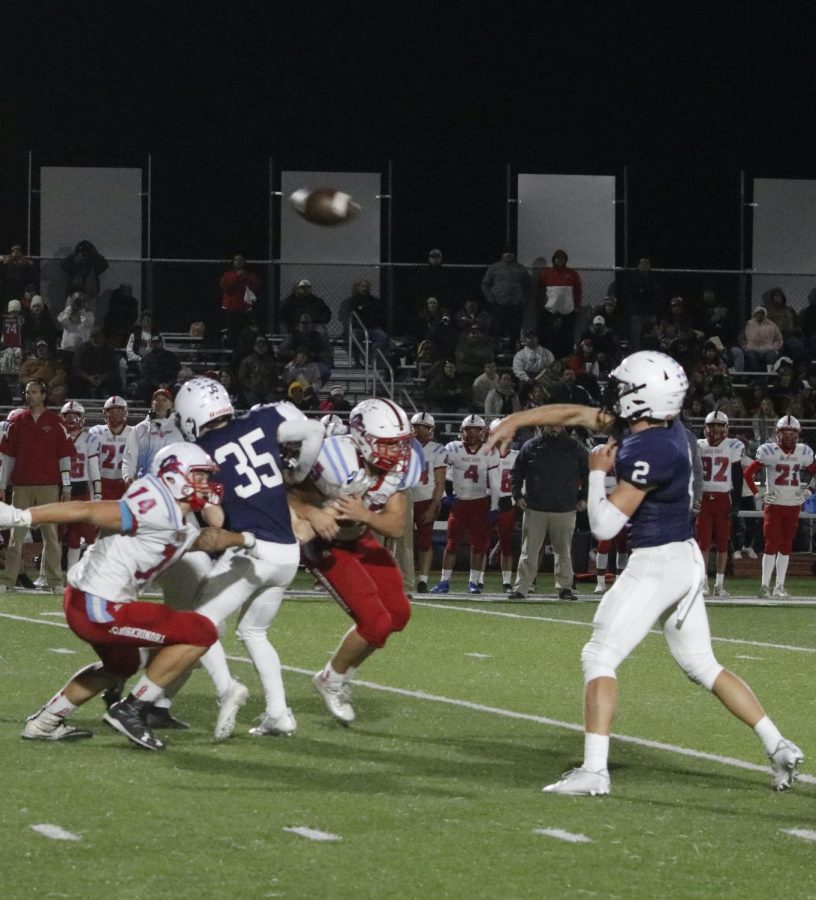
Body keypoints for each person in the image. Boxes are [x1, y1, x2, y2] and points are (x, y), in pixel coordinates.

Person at [487, 349, 803, 796]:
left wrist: (597, 474)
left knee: (599, 655)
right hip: (683, 557)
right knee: (701, 664)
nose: (615, 396)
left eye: (624, 388)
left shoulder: (651, 448)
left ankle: (595, 771)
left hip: (657, 564)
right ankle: (778, 744)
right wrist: (517, 420)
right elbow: (580, 413)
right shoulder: (661, 427)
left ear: (643, 397)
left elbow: (604, 525)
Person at [5, 443, 253, 751]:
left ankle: (44, 722)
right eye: (199, 476)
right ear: (174, 477)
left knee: (123, 665)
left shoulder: (177, 510)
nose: (206, 484)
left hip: (89, 600)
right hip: (100, 605)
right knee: (201, 631)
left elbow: (207, 536)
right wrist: (22, 516)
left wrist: (247, 539)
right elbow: (88, 510)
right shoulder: (157, 505)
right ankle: (131, 709)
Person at [171, 377, 325, 739]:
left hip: (254, 550)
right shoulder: (261, 421)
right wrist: (296, 473)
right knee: (253, 631)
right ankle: (278, 714)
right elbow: (315, 429)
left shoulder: (202, 450)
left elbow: (217, 516)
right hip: (288, 552)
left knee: (199, 622)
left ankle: (227, 688)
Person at [289, 398, 421, 724]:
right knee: (375, 622)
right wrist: (316, 512)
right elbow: (288, 493)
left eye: (400, 445)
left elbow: (396, 525)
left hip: (360, 538)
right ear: (362, 436)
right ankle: (331, 678)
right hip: (326, 544)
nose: (397, 454)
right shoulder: (330, 456)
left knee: (398, 615)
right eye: (388, 445)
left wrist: (362, 514)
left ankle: (340, 674)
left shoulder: (401, 467)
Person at [0, 379, 74, 591]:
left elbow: (64, 458)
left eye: (33, 392)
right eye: (27, 392)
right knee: (16, 537)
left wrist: (67, 487)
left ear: (43, 394)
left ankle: (55, 581)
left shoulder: (55, 422)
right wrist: (2, 485)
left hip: (48, 485)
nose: (29, 395)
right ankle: (8, 581)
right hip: (21, 486)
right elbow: (8, 458)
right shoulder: (18, 422)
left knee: (51, 537)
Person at [507, 424, 588, 600]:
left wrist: (584, 497)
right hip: (536, 506)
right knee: (529, 550)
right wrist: (517, 494)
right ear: (543, 426)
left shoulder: (575, 447)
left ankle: (565, 587)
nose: (553, 427)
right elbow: (517, 472)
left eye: (557, 424)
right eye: (550, 424)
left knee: (564, 551)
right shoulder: (531, 445)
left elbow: (588, 473)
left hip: (565, 507)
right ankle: (522, 587)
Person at [743, 415, 816, 599]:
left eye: (792, 432)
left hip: (793, 505)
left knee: (786, 545)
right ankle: (765, 586)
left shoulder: (803, 452)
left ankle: (779, 586)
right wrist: (758, 493)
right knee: (771, 545)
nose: (789, 436)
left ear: (798, 434)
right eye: (785, 432)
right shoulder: (769, 451)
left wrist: (810, 490)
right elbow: (748, 473)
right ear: (778, 433)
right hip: (774, 505)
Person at [430, 414, 499, 595]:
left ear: (483, 432)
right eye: (469, 430)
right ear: (462, 431)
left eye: (477, 430)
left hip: (480, 502)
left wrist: (494, 505)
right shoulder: (452, 448)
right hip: (460, 502)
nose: (473, 434)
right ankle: (444, 581)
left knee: (479, 545)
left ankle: (474, 582)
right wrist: (446, 495)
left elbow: (495, 481)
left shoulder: (490, 451)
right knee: (452, 544)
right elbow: (440, 472)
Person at [696, 411, 747, 598]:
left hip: (723, 497)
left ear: (726, 428)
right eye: (711, 425)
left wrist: (737, 503)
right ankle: (703, 583)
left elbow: (737, 476)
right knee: (703, 544)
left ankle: (719, 584)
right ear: (705, 427)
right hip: (704, 496)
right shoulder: (698, 445)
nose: (715, 429)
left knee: (723, 544)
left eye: (719, 425)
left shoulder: (733, 446)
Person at [56, 400, 101, 573]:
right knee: (57, 534)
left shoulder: (90, 439)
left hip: (82, 488)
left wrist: (97, 493)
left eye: (76, 416)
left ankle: (90, 572)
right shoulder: (58, 437)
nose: (72, 420)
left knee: (87, 534)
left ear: (82, 418)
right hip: (61, 488)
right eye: (68, 416)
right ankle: (55, 573)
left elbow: (94, 469)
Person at [408, 412, 447, 593]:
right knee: (403, 542)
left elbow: (440, 482)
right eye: (416, 426)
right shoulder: (404, 446)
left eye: (424, 427)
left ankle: (423, 580)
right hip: (406, 498)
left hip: (425, 498)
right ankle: (402, 576)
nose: (419, 430)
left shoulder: (437, 449)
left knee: (425, 542)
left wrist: (434, 506)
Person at [481, 417, 519, 593]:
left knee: (506, 545)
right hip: (486, 500)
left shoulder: (517, 456)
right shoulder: (484, 453)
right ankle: (477, 579)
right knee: (481, 543)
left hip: (506, 502)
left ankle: (506, 581)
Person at [122, 388, 185, 485]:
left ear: (171, 405)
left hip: (172, 485)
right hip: (145, 485)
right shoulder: (140, 429)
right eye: (157, 400)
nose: (160, 403)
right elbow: (130, 457)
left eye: (164, 400)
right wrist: (128, 477)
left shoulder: (180, 429)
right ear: (152, 404)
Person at [536, 249, 582, 359]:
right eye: (557, 259)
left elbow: (578, 292)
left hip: (568, 311)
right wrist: (541, 306)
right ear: (554, 260)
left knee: (567, 336)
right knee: (548, 335)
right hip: (550, 310)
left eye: (562, 259)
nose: (559, 261)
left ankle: (567, 358)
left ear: (565, 260)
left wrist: (576, 307)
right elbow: (540, 291)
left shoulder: (573, 274)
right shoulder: (546, 274)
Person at [481, 249, 531, 345]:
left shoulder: (521, 268)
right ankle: (495, 353)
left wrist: (524, 300)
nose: (509, 255)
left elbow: (528, 286)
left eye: (511, 253)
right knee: (496, 329)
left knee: (515, 329)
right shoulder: (494, 267)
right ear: (502, 255)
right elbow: (485, 284)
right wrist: (490, 298)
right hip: (498, 304)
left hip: (515, 305)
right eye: (506, 253)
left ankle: (514, 352)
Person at [89, 396, 132, 500]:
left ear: (125, 412)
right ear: (105, 413)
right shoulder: (96, 432)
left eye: (118, 410)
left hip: (125, 483)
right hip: (102, 482)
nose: (115, 415)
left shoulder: (133, 432)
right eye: (111, 411)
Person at [71, 326, 123, 398]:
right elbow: (77, 367)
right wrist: (88, 377)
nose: (96, 339)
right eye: (93, 336)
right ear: (90, 337)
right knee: (74, 380)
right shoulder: (82, 349)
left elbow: (114, 367)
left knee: (117, 380)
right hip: (86, 378)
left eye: (98, 336)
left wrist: (103, 377)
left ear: (102, 337)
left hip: (104, 377)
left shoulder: (109, 349)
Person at [220, 253, 260, 346]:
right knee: (231, 332)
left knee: (246, 331)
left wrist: (246, 278)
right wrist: (237, 277)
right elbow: (226, 286)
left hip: (245, 308)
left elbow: (255, 286)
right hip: (230, 308)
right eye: (236, 260)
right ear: (233, 262)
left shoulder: (250, 274)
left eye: (241, 260)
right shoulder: (228, 274)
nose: (239, 262)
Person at [135, 334, 181, 402]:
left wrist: (169, 383)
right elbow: (145, 374)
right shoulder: (147, 358)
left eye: (157, 343)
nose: (156, 345)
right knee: (142, 383)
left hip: (169, 384)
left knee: (178, 387)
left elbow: (176, 371)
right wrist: (157, 384)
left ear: (161, 343)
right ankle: (150, 403)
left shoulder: (171, 356)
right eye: (154, 343)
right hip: (153, 385)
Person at [512, 330, 555, 399]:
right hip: (526, 377)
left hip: (543, 377)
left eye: (533, 337)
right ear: (525, 340)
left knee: (550, 392)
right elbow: (517, 369)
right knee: (522, 393)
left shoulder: (547, 353)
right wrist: (527, 379)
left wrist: (542, 377)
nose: (531, 340)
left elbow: (551, 366)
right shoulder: (520, 354)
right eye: (529, 338)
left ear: (537, 339)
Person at [57, 292, 94, 370]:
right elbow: (61, 320)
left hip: (82, 351)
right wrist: (70, 307)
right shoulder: (67, 313)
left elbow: (86, 322)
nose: (79, 303)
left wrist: (81, 310)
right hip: (67, 350)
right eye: (77, 301)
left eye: (81, 301)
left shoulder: (89, 314)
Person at [238, 334, 280, 404]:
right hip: (251, 391)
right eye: (259, 346)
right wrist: (250, 386)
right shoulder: (247, 360)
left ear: (266, 347)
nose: (261, 348)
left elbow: (275, 377)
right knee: (253, 402)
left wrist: (270, 388)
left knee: (272, 401)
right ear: (254, 347)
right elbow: (242, 377)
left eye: (263, 346)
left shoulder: (271, 361)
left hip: (268, 392)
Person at [742, 307, 782, 372]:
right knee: (751, 357)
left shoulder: (772, 325)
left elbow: (779, 340)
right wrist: (745, 347)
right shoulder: (748, 324)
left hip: (768, 350)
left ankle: (769, 376)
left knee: (771, 356)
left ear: (765, 314)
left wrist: (772, 348)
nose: (760, 315)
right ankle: (754, 377)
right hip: (752, 349)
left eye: (762, 313)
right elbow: (742, 338)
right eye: (758, 313)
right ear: (755, 314)